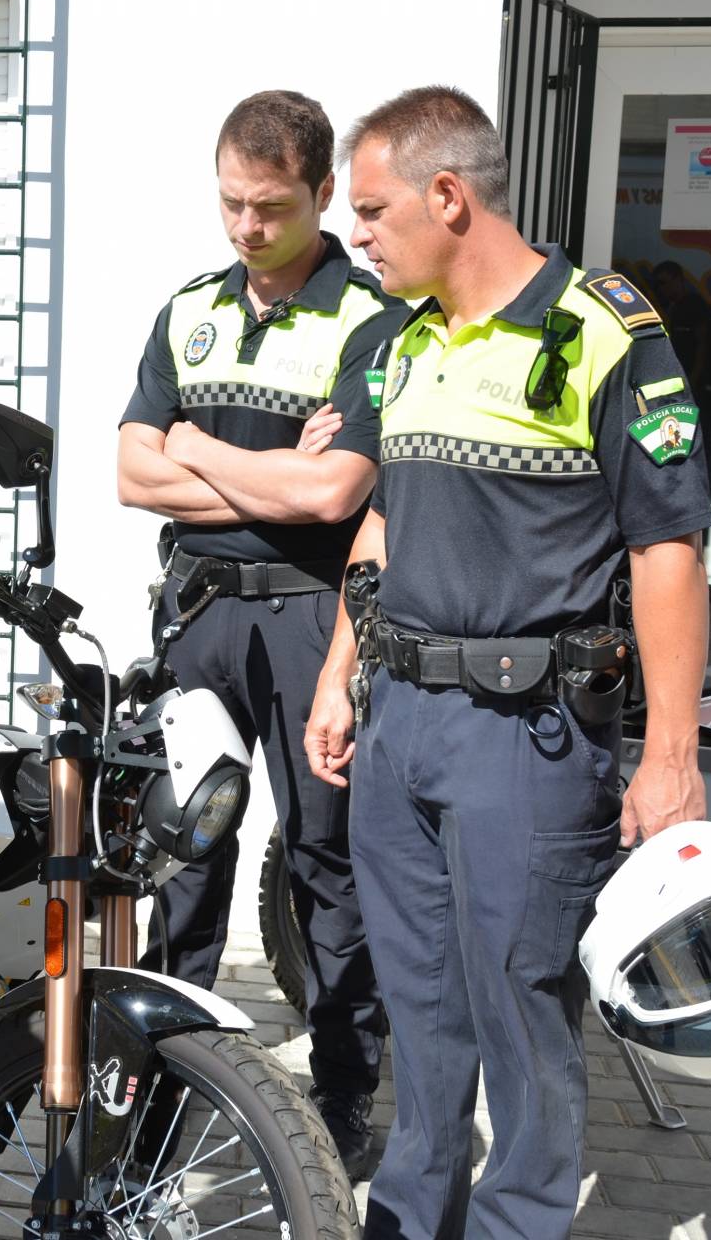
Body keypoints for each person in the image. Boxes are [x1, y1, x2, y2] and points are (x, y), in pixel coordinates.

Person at [307, 86, 711, 1237]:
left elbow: (666, 549)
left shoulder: (602, 332)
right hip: (401, 733)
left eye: (376, 211)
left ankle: (520, 1220)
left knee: (522, 1009)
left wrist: (669, 757)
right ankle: (411, 1215)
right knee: (422, 1007)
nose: (362, 235)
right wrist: (342, 671)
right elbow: (379, 523)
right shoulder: (396, 339)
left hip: (528, 739)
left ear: (449, 197)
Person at [116, 89, 404, 1179]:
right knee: (184, 860)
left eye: (270, 208)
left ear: (323, 193)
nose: (245, 227)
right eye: (232, 203)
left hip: (310, 622)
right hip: (197, 618)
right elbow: (127, 472)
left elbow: (337, 496)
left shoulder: (375, 321)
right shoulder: (187, 308)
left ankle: (339, 1100)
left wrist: (193, 445)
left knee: (326, 866)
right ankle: (168, 1087)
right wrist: (270, 476)